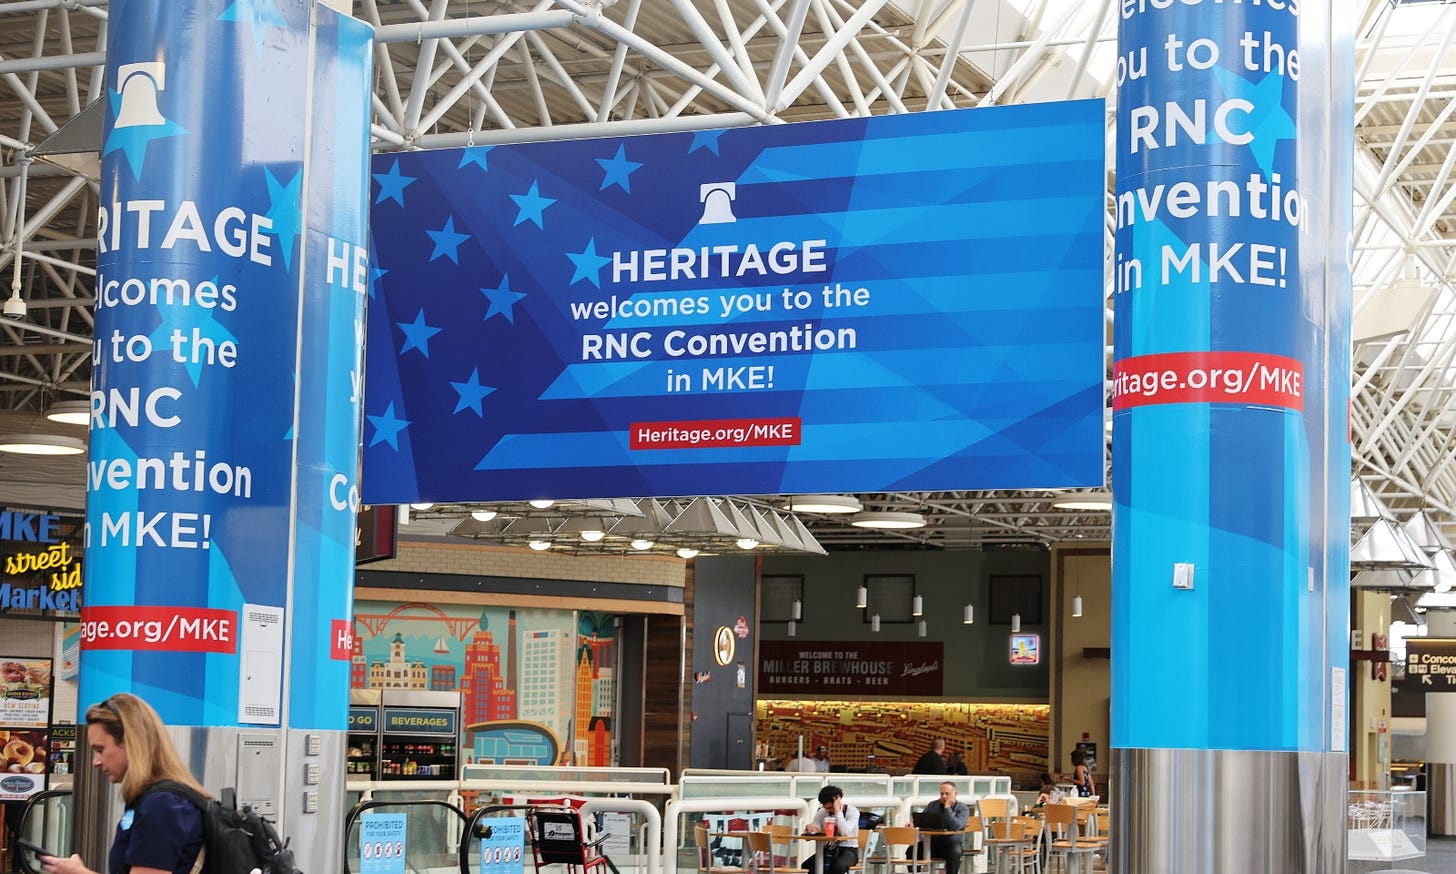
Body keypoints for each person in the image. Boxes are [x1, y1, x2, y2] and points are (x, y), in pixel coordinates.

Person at [39, 694, 207, 874]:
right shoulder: (152, 800)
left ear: (129, 742)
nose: (95, 762)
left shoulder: (162, 805)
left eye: (100, 749)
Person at [913, 782, 970, 874]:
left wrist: (947, 808)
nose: (944, 796)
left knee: (955, 851)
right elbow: (923, 820)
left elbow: (955, 826)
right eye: (941, 793)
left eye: (947, 794)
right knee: (912, 850)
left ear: (955, 794)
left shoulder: (963, 809)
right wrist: (913, 824)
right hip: (932, 844)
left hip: (951, 844)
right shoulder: (932, 805)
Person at [802, 785, 859, 874]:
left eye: (830, 807)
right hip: (829, 848)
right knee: (807, 865)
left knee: (837, 867)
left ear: (838, 799)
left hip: (848, 849)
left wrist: (837, 811)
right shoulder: (822, 812)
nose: (828, 810)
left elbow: (845, 832)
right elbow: (813, 830)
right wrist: (809, 829)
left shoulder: (852, 811)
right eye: (826, 808)